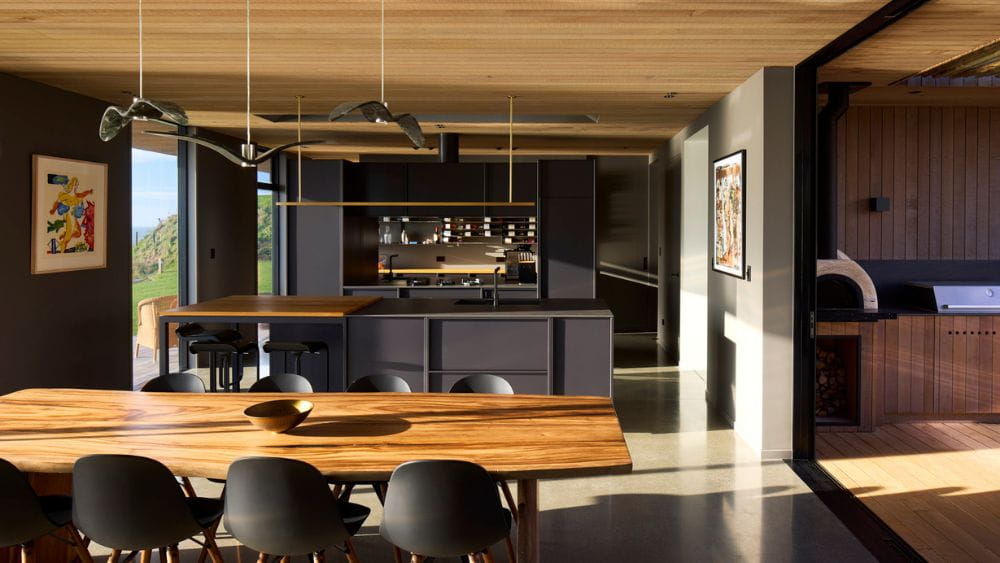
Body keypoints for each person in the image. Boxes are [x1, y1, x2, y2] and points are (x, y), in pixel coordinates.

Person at [48, 176, 93, 253]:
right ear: (71, 185)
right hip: (69, 218)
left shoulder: (77, 195)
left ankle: (65, 235)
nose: (76, 187)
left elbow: (83, 194)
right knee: (67, 240)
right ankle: (62, 252)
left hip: (73, 219)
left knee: (78, 234)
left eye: (77, 185)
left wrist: (89, 191)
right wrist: (53, 210)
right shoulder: (65, 196)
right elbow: (57, 203)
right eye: (75, 185)